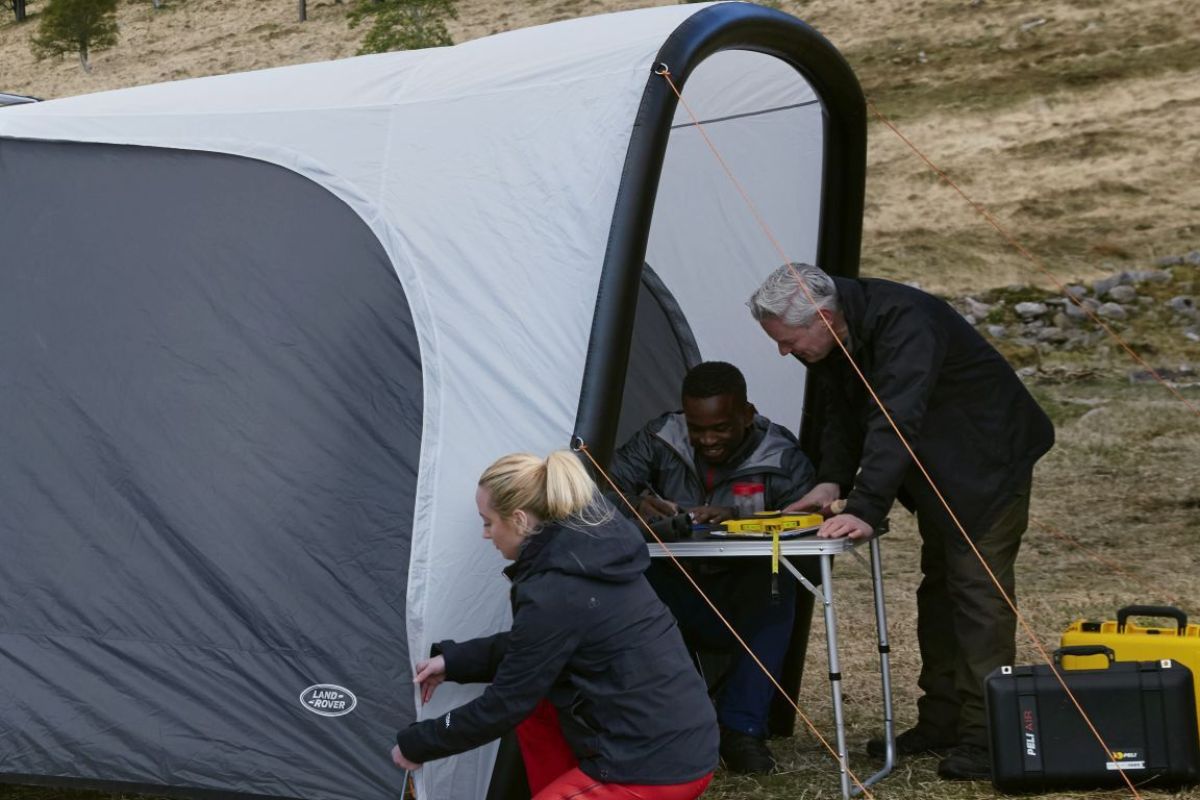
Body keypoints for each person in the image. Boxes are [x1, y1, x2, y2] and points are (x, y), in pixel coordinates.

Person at [747, 263, 1055, 781]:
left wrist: (866, 508)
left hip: (987, 461)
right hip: (939, 470)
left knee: (978, 594)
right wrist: (833, 481)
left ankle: (988, 737)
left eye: (787, 340)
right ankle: (943, 721)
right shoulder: (832, 336)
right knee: (939, 590)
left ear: (822, 317)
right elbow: (843, 411)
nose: (783, 351)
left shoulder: (905, 324)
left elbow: (895, 419)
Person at [391, 451, 717, 800]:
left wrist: (415, 744)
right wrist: (454, 661)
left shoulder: (557, 588)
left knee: (525, 701)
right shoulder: (588, 553)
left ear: (518, 519)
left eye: (488, 522)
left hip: (651, 768)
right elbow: (533, 647)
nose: (486, 534)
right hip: (683, 743)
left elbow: (503, 705)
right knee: (537, 708)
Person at [607, 361, 817, 775]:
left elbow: (808, 524)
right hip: (677, 586)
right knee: (634, 585)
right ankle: (683, 724)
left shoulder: (782, 454)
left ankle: (741, 729)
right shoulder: (659, 438)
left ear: (748, 414)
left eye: (720, 428)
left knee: (779, 588)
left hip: (746, 590)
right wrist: (638, 507)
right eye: (697, 428)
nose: (708, 440)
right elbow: (599, 489)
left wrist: (740, 517)